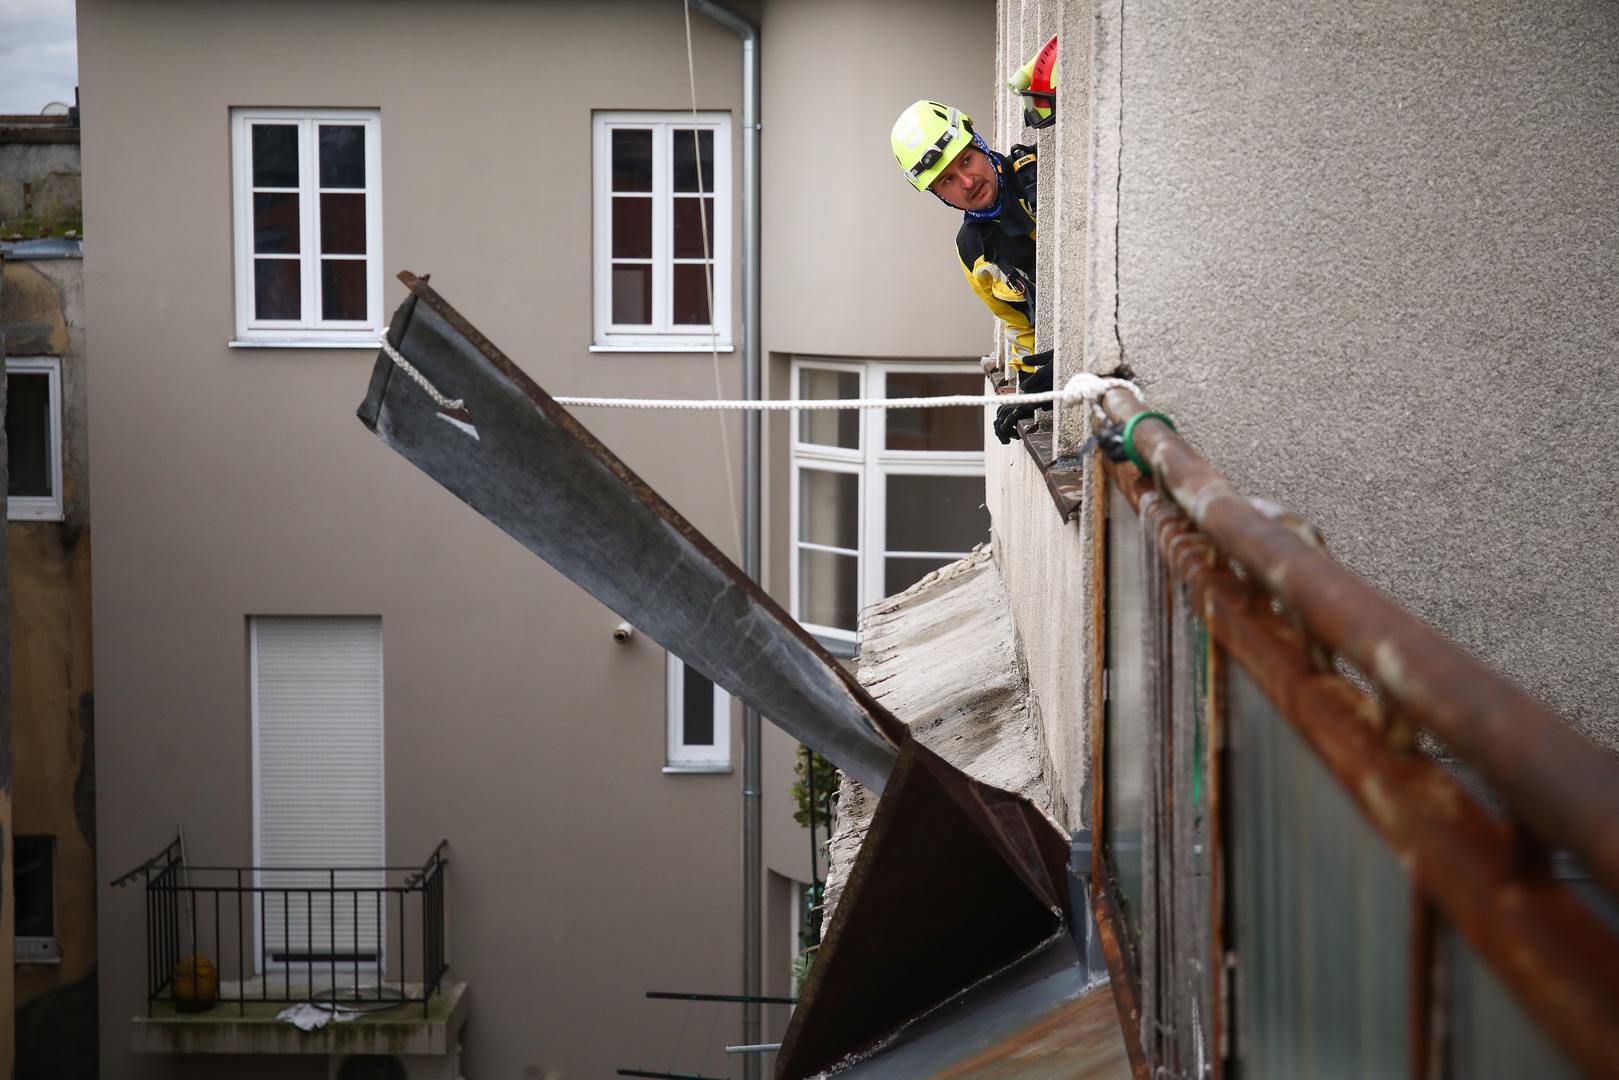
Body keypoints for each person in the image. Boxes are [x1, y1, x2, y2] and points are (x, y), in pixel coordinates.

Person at [889, 99, 1050, 444]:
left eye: (966, 160)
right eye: (947, 180)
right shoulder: (973, 250)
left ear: (979, 142)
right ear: (935, 193)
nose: (966, 181)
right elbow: (1021, 326)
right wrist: (1031, 390)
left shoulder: (1040, 169)